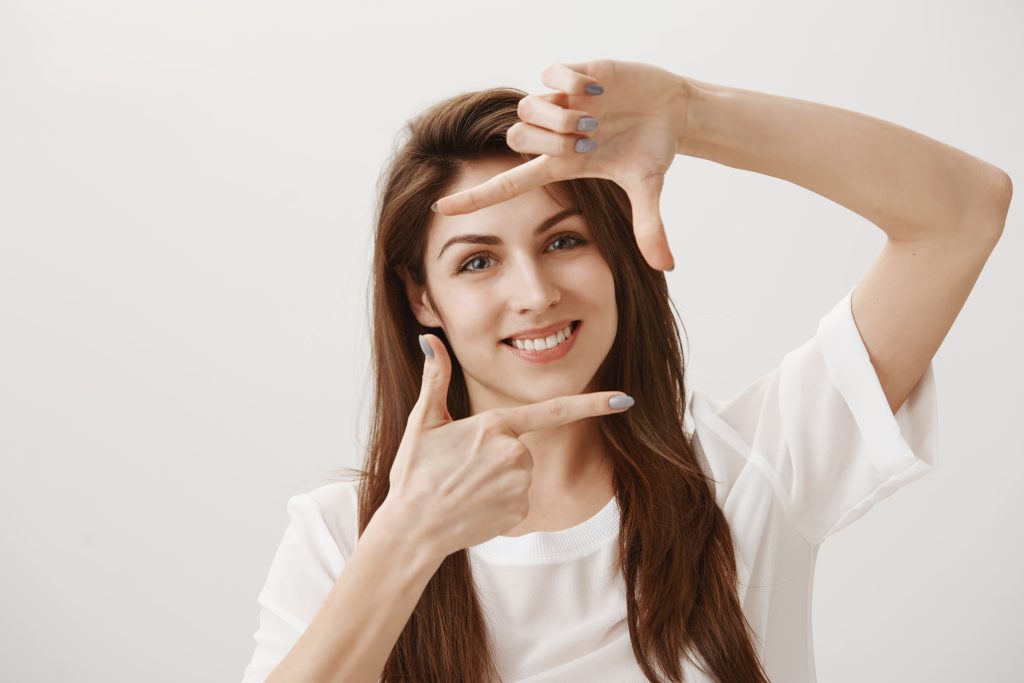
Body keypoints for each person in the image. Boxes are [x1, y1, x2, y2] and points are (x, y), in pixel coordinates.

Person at [240, 60, 1011, 682]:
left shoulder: (747, 471)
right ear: (420, 296)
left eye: (564, 240)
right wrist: (409, 536)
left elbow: (963, 212)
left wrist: (692, 111)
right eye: (478, 260)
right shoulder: (342, 536)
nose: (535, 293)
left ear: (614, 255)